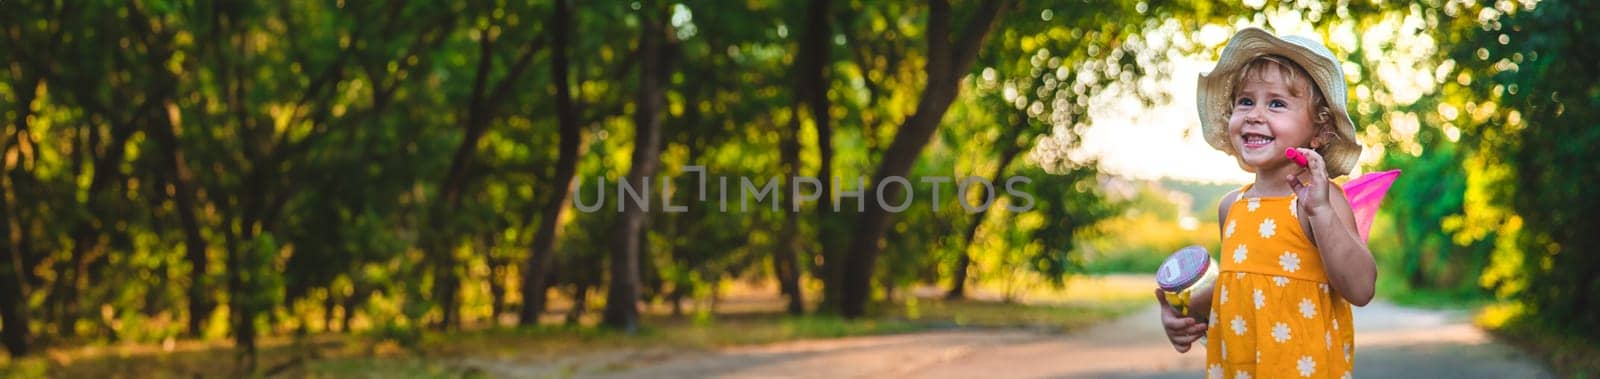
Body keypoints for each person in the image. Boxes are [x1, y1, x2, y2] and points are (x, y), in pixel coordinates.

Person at [1156, 27, 1377, 378]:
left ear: (1318, 132)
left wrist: (1321, 212)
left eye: (1276, 103)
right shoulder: (1232, 207)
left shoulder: (1319, 199)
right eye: (1245, 101)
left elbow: (1361, 287)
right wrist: (1179, 315)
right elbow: (1239, 291)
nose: (1255, 114)